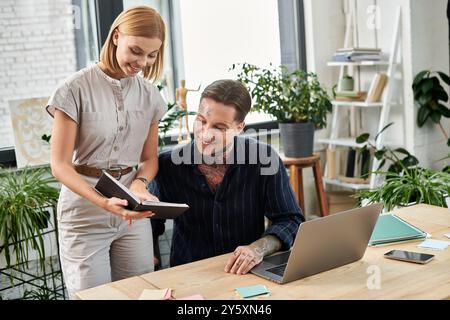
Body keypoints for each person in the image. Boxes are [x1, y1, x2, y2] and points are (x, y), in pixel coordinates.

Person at [47, 6, 167, 298]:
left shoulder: (150, 96)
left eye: (151, 55)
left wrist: (139, 183)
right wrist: (103, 202)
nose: (143, 62)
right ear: (116, 37)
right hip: (84, 212)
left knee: (140, 293)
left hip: (131, 212)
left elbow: (149, 159)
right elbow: (60, 166)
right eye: (136, 51)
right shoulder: (74, 89)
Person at [150, 79, 304, 274]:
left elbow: (290, 220)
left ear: (240, 127)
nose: (206, 135)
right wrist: (148, 257)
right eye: (202, 121)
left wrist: (257, 249)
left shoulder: (263, 160)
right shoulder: (168, 165)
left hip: (246, 274)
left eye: (220, 128)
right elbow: (148, 224)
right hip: (187, 277)